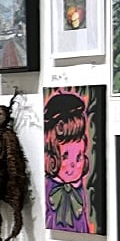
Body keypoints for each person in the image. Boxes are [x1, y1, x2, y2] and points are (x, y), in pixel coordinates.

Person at [43, 91, 93, 232]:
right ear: (52, 157)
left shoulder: (78, 190)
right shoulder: (48, 187)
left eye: (79, 157)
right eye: (65, 156)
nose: (73, 165)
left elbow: (83, 223)